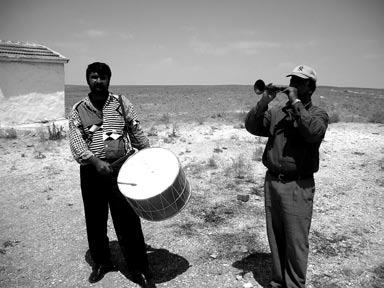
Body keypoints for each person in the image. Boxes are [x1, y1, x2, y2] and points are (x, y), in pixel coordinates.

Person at [68, 62, 155, 287]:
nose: (99, 81)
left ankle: (139, 269)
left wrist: (149, 155)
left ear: (109, 79)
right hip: (92, 172)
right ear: (88, 80)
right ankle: (101, 263)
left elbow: (136, 130)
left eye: (103, 77)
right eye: (94, 77)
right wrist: (96, 162)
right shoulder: (78, 109)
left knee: (128, 220)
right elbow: (77, 143)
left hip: (122, 169)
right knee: (95, 219)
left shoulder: (121, 103)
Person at [245, 65, 329, 288]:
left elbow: (312, 132)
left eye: (299, 82)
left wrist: (296, 103)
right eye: (292, 80)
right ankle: (278, 281)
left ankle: (294, 284)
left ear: (310, 87)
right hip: (272, 182)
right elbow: (251, 126)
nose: (293, 85)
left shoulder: (318, 114)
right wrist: (265, 101)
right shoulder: (277, 113)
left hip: (297, 186)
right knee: (276, 236)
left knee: (296, 240)